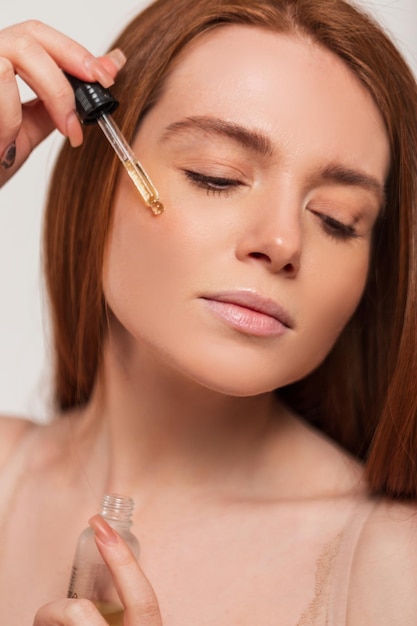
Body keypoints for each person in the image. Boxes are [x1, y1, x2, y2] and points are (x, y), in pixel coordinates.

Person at [0, 0, 416, 623]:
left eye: (337, 219)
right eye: (216, 176)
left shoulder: (394, 574)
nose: (282, 244)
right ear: (99, 176)